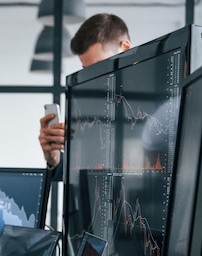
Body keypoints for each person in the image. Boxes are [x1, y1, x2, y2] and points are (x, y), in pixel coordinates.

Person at [38, 13, 132, 181]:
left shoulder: (159, 94)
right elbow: (86, 168)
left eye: (99, 67)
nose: (93, 78)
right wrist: (55, 158)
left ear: (125, 48)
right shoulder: (87, 103)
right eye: (86, 69)